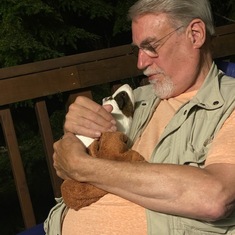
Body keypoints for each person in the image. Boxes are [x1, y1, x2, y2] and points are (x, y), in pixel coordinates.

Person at [45, 0, 235, 234]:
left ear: (195, 35)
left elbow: (214, 198)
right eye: (137, 49)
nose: (141, 63)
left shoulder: (229, 104)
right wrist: (74, 135)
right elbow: (64, 167)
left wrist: (82, 165)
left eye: (152, 46)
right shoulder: (135, 99)